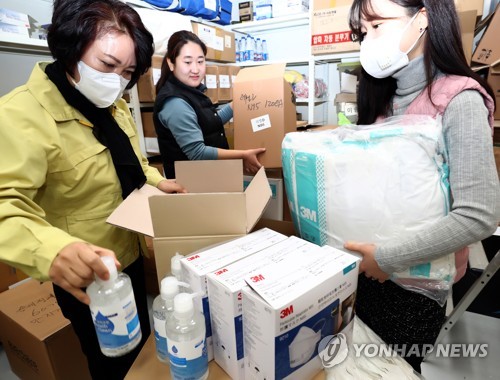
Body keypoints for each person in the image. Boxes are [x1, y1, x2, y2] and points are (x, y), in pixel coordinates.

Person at [0, 1, 185, 379]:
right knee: (111, 361)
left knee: (142, 349)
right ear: (71, 49)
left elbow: (131, 165)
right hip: (83, 272)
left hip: (128, 254)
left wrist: (156, 181)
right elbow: (5, 204)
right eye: (107, 65)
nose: (117, 80)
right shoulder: (20, 115)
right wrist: (53, 251)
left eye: (128, 72)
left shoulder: (111, 106)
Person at [344, 0, 499, 373]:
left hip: (414, 287)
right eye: (363, 33)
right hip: (364, 267)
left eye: (378, 26)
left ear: (421, 21)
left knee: (391, 366)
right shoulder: (384, 101)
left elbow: (479, 215)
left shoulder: (459, 99)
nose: (368, 41)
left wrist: (387, 258)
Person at [153, 30, 266, 179]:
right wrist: (243, 155)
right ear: (171, 63)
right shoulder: (175, 103)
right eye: (187, 62)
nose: (195, 69)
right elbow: (198, 153)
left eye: (200, 61)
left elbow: (209, 123)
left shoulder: (190, 91)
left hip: (210, 178)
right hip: (192, 186)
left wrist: (239, 103)